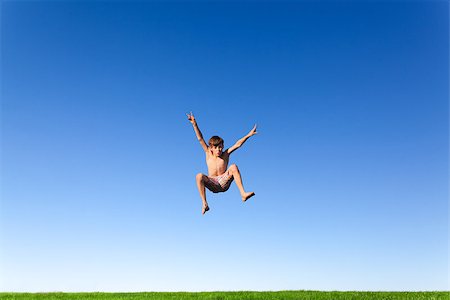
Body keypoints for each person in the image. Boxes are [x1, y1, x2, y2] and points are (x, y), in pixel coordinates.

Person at [187, 112, 257, 214]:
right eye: (216, 147)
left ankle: (243, 194)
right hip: (212, 183)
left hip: (224, 182)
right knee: (199, 176)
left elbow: (238, 144)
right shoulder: (208, 153)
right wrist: (194, 124)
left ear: (223, 146)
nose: (219, 149)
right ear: (211, 148)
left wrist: (249, 135)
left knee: (233, 167)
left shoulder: (226, 154)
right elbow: (200, 138)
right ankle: (204, 203)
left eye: (220, 147)